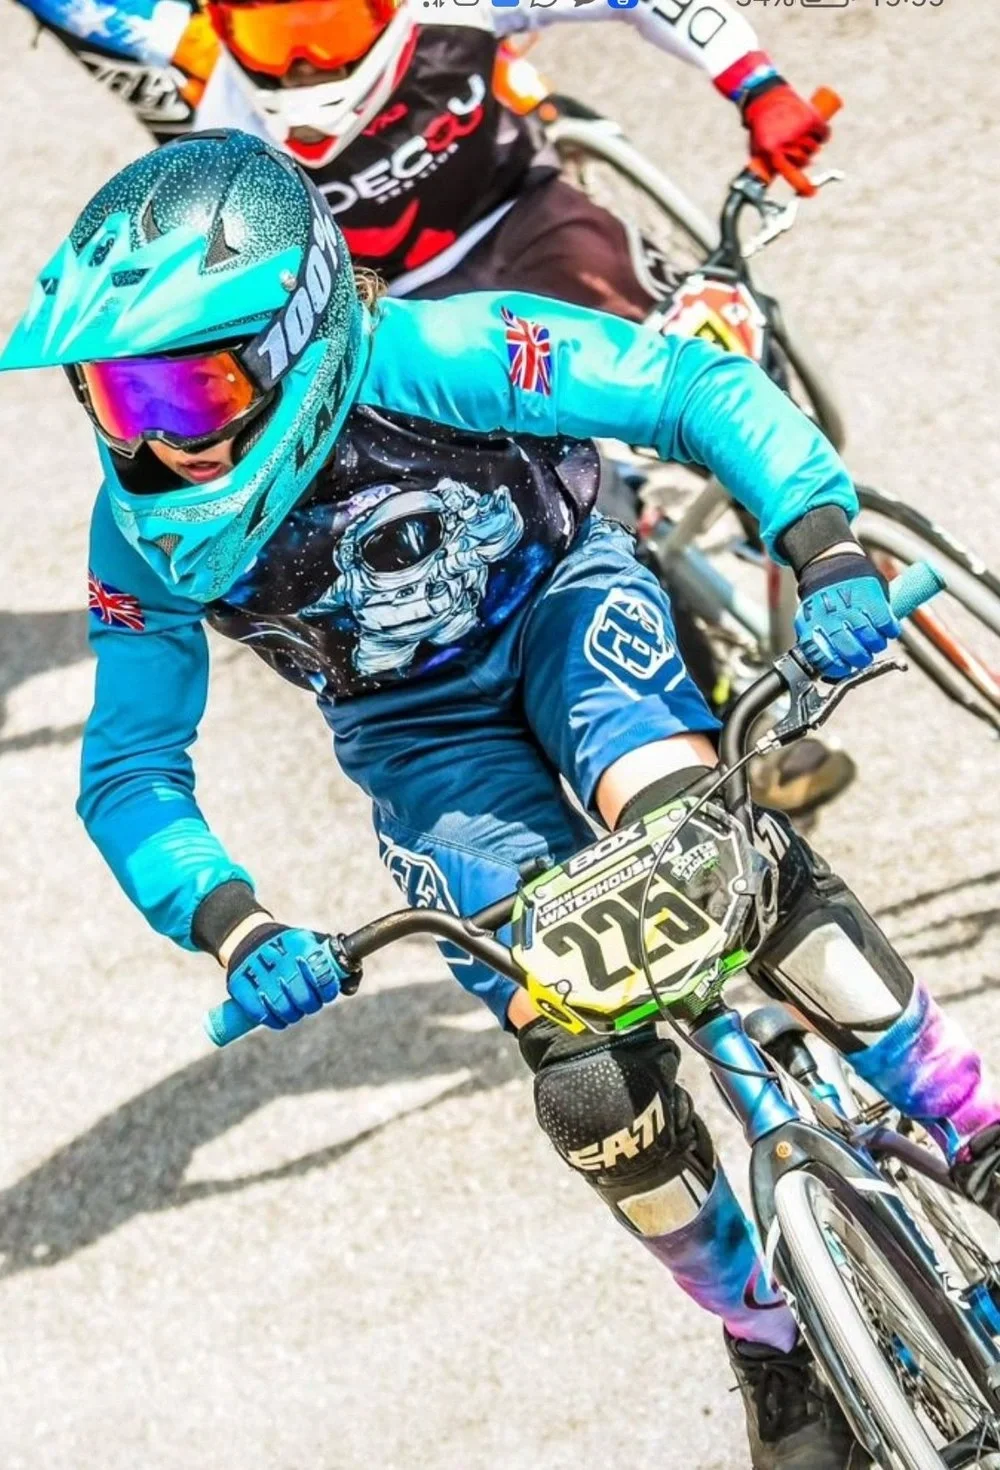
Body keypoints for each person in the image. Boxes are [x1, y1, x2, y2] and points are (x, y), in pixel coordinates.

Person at [9, 130, 996, 1470]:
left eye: (188, 389)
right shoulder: (136, 538)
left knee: (706, 850)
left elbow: (682, 387)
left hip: (565, 614)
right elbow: (130, 768)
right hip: (419, 743)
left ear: (301, 328)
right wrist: (236, 924)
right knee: (591, 1081)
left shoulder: (433, 355)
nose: (161, 443)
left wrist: (819, 545)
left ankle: (970, 1119)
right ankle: (768, 1338)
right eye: (119, 402)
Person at [18, 0, 845, 814]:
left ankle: (794, 524)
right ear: (226, 31)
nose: (303, 66)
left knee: (700, 362)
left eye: (329, 25)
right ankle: (714, 688)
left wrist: (756, 83)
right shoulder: (223, 123)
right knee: (580, 512)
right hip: (384, 311)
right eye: (271, 36)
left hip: (520, 223)